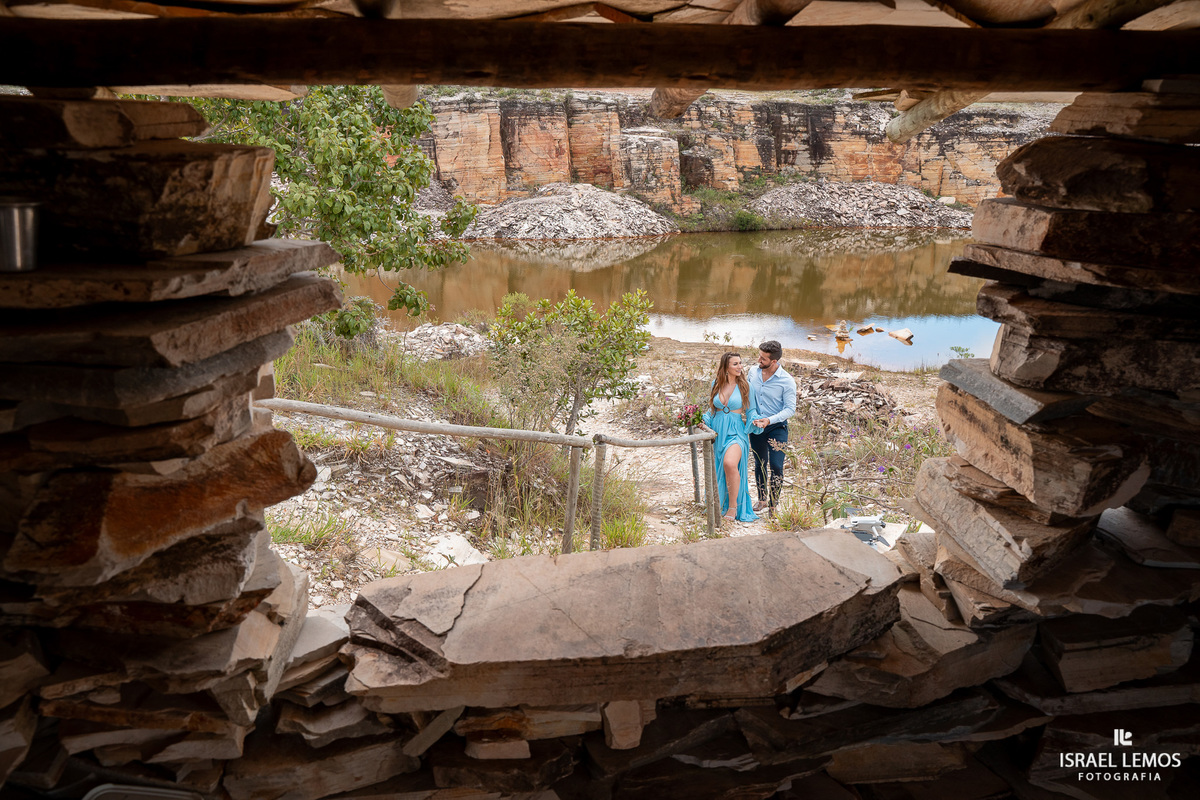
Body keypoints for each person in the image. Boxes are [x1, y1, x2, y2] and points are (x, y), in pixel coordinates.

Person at [702, 352, 760, 522]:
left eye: (740, 363)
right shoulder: (716, 384)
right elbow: (712, 411)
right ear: (726, 367)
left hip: (736, 432)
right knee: (720, 467)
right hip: (718, 432)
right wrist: (701, 420)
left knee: (729, 463)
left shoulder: (746, 387)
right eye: (735, 364)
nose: (740, 367)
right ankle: (719, 503)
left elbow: (751, 411)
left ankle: (733, 508)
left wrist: (756, 422)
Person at [748, 340, 797, 515]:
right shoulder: (753, 372)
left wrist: (769, 420)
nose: (758, 360)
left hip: (777, 427)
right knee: (759, 462)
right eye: (759, 356)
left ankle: (773, 505)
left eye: (763, 358)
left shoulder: (787, 381)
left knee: (776, 465)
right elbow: (746, 393)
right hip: (756, 426)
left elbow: (790, 409)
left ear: (774, 361)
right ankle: (761, 499)